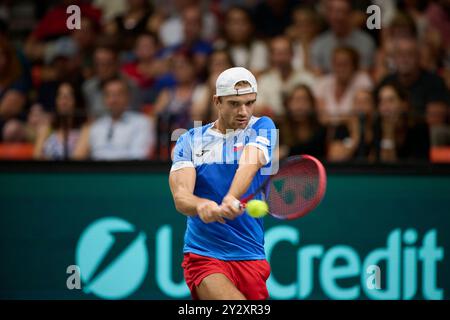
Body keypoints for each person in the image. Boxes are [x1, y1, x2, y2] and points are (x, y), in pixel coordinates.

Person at [169, 67, 276, 300]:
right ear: (217, 101)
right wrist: (200, 205)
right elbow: (181, 196)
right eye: (234, 104)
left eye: (250, 103)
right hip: (205, 255)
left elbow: (249, 163)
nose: (244, 112)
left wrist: (231, 197)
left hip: (251, 255)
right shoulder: (189, 141)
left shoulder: (263, 126)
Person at [74, 77, 154, 160]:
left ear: (128, 97)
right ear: (104, 99)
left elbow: (139, 155)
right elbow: (79, 157)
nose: (114, 100)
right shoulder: (96, 126)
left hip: (128, 171)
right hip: (96, 171)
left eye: (118, 95)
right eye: (109, 95)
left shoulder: (142, 123)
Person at [376, 37, 450, 116]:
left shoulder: (435, 82)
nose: (404, 59)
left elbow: (436, 118)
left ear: (419, 57)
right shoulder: (386, 82)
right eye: (399, 54)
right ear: (394, 58)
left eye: (409, 54)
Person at [256, 36, 315, 118]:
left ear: (292, 54)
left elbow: (314, 108)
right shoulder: (265, 80)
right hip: (274, 125)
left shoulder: (307, 79)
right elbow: (258, 108)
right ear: (271, 56)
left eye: (284, 53)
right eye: (277, 53)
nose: (281, 58)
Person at [310, 0, 375, 74]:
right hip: (327, 84)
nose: (339, 17)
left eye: (343, 12)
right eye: (334, 12)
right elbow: (317, 75)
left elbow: (364, 74)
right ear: (328, 15)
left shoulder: (365, 42)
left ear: (351, 15)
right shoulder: (318, 43)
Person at [82, 40, 142, 119]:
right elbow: (90, 117)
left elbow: (135, 117)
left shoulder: (131, 86)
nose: (102, 69)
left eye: (106, 64)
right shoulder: (89, 87)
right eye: (98, 64)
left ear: (116, 64)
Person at [314, 47, 373, 124]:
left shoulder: (363, 81)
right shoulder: (323, 83)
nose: (341, 69)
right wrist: (346, 118)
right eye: (338, 64)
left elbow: (362, 114)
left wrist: (333, 119)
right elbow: (322, 117)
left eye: (345, 64)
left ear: (354, 65)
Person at [373, 83, 430, 162]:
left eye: (390, 100)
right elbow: (383, 166)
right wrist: (388, 135)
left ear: (404, 104)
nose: (384, 106)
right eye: (381, 101)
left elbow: (416, 166)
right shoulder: (377, 126)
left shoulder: (419, 128)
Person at [34, 82, 87, 160]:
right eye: (60, 97)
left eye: (68, 97)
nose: (64, 101)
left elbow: (77, 160)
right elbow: (36, 157)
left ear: (76, 101)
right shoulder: (46, 129)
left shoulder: (84, 130)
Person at [215, 6, 268, 76]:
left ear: (250, 26)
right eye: (233, 22)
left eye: (241, 22)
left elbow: (257, 75)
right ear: (225, 26)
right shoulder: (219, 47)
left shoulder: (259, 47)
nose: (237, 27)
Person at [279, 84, 327, 160]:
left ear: (312, 105)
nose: (300, 105)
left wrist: (287, 150)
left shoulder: (321, 130)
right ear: (288, 104)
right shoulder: (278, 128)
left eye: (305, 100)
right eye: (297, 100)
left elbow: (314, 152)